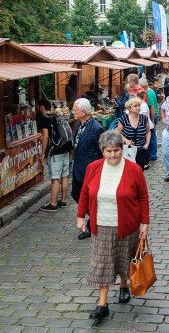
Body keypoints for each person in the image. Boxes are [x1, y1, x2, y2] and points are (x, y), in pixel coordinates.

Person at [76, 130, 150, 321]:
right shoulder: (93, 168)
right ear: (103, 151)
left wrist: (145, 222)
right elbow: (85, 192)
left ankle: (124, 285)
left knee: (124, 258)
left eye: (116, 150)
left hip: (127, 224)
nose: (113, 155)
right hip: (101, 224)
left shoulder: (133, 170)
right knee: (102, 263)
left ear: (121, 149)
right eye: (108, 151)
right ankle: (102, 304)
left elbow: (143, 196)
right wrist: (80, 216)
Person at [71, 98, 104, 240]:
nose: (72, 112)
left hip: (90, 170)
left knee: (89, 198)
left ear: (83, 112)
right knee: (75, 193)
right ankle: (96, 216)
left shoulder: (96, 128)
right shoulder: (80, 124)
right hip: (78, 168)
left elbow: (102, 151)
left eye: (75, 110)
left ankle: (92, 225)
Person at [37, 99, 72, 212]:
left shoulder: (44, 119)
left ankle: (53, 203)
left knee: (55, 177)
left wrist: (43, 153)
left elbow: (45, 136)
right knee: (65, 175)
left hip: (56, 151)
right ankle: (63, 200)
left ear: (41, 107)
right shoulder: (57, 116)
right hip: (66, 148)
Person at [116, 97, 151, 171]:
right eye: (135, 106)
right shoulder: (124, 119)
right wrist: (126, 140)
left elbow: (148, 132)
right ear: (129, 108)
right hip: (128, 150)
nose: (138, 107)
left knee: (139, 171)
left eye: (139, 105)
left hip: (141, 149)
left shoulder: (144, 119)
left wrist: (147, 143)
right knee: (128, 171)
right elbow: (118, 133)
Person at [140, 78, 159, 161]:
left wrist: (152, 120)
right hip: (152, 115)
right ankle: (152, 154)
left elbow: (152, 108)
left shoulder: (148, 93)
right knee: (152, 135)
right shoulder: (150, 91)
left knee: (151, 136)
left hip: (152, 116)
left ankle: (153, 154)